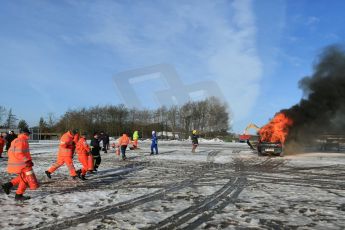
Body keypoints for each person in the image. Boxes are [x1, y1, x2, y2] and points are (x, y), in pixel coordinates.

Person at [2, 128, 39, 200]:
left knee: (23, 177)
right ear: (25, 133)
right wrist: (27, 161)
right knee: (25, 178)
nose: (29, 135)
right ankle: (18, 195)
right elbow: (19, 153)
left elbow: (10, 151)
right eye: (28, 133)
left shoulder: (16, 140)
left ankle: (8, 185)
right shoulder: (22, 141)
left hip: (18, 163)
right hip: (22, 164)